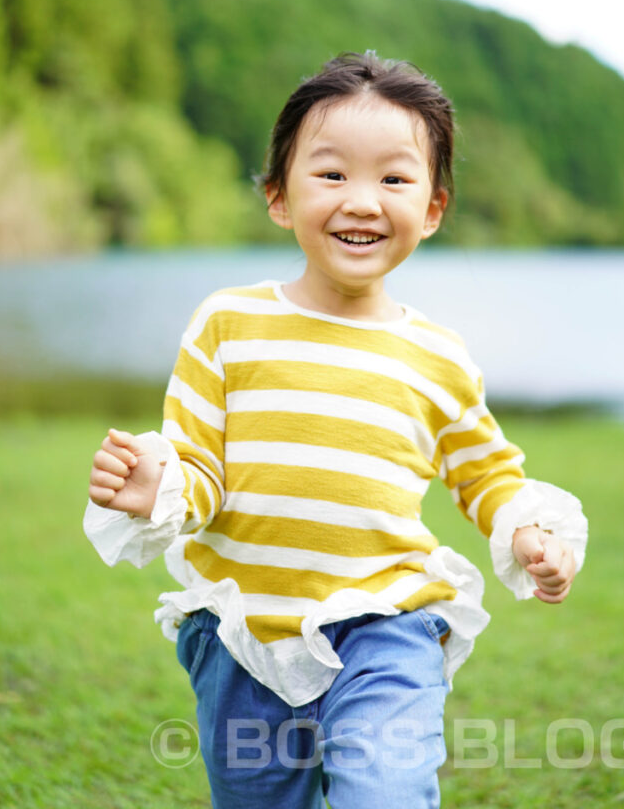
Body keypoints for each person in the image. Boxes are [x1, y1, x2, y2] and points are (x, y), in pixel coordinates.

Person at [84, 51, 588, 808]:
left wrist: (524, 530)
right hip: (244, 633)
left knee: (383, 790)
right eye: (330, 174)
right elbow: (201, 467)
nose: (362, 201)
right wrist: (163, 486)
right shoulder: (228, 324)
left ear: (433, 208)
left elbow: (484, 473)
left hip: (387, 622)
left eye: (392, 178)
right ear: (278, 196)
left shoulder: (437, 356)